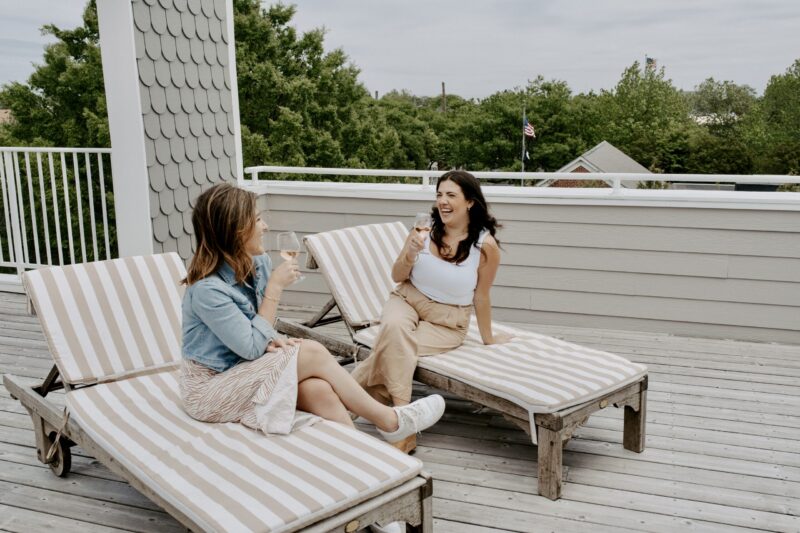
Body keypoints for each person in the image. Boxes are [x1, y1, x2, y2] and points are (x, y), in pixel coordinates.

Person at [179, 183, 445, 449]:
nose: (265, 227)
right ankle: (391, 421)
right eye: (258, 219)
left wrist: (274, 340)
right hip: (211, 389)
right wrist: (275, 287)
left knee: (319, 390)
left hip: (247, 371)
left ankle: (364, 456)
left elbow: (260, 328)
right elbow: (249, 347)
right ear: (235, 230)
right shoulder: (207, 290)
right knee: (312, 352)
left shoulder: (257, 265)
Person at [351, 170, 512, 453]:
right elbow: (397, 274)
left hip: (448, 322)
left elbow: (482, 296)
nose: (443, 202)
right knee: (395, 330)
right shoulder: (423, 230)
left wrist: (488, 337)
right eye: (439, 195)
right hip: (407, 299)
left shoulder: (485, 246)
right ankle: (403, 419)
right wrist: (410, 253)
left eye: (451, 195)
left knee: (393, 346)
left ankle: (345, 399)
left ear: (470, 202)